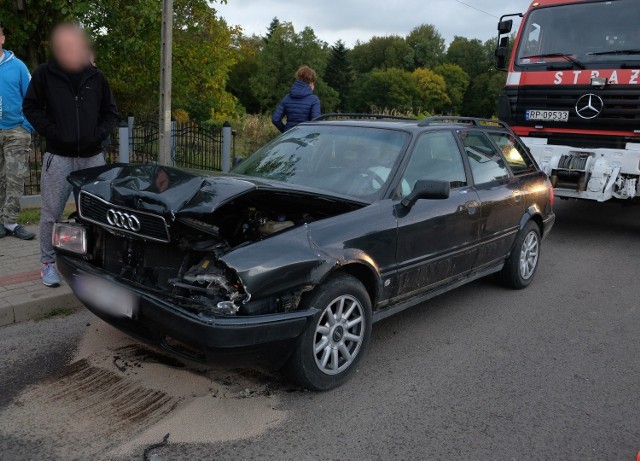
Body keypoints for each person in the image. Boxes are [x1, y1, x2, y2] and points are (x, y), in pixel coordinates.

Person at [23, 23, 118, 287]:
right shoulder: (45, 74)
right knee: (51, 213)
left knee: (94, 213)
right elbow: (30, 107)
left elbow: (111, 113)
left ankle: (92, 261)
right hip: (59, 157)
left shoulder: (95, 77)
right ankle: (48, 263)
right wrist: (53, 132)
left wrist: (96, 135)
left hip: (92, 159)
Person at [0, 22, 36, 240]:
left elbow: (32, 98)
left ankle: (11, 222)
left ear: (2, 39)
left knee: (15, 179)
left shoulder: (18, 67)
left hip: (16, 131)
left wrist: (26, 126)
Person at [272, 65, 321, 133]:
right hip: (305, 139)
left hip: (288, 139)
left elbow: (275, 119)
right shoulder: (314, 100)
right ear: (311, 82)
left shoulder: (287, 97)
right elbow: (315, 123)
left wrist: (286, 133)